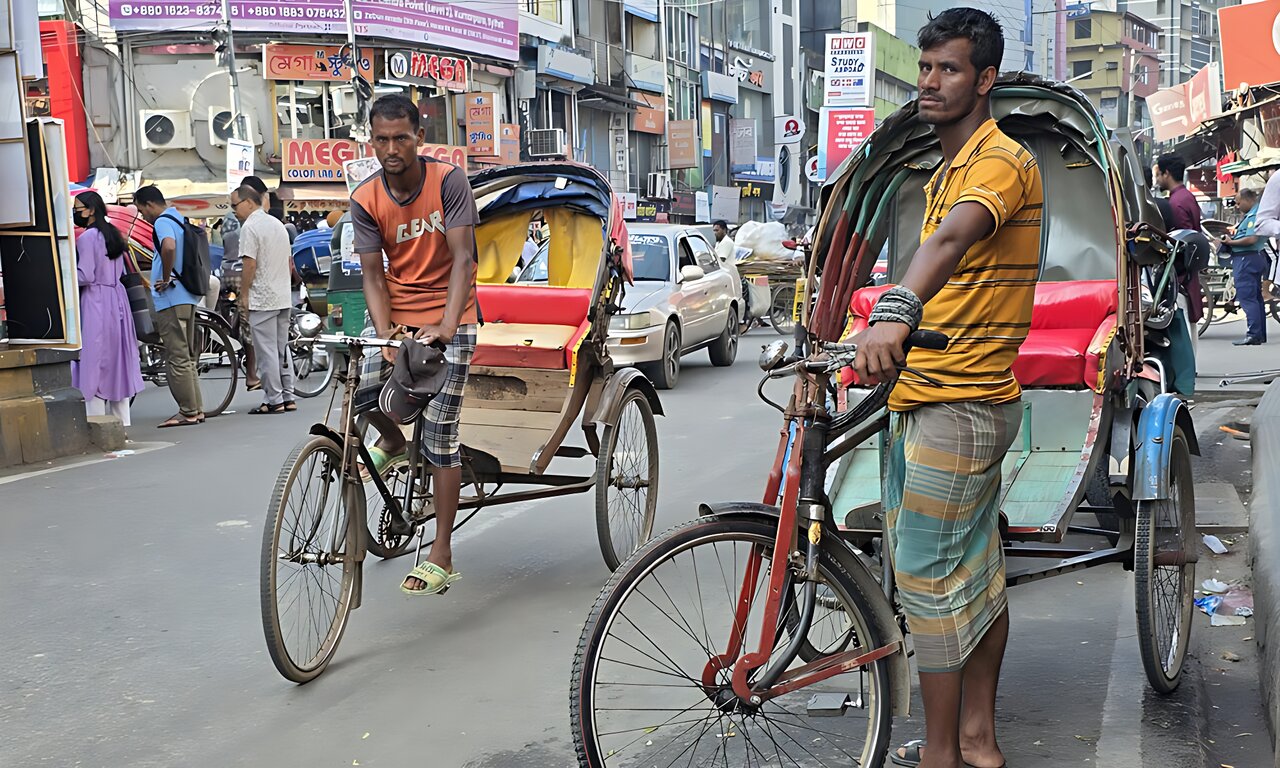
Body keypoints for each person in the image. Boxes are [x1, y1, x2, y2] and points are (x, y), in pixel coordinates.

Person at [847, 10, 1042, 768]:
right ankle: (977, 742)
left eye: (949, 69)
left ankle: (940, 756)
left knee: (925, 582)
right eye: (925, 68)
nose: (930, 81)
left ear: (984, 79)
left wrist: (894, 310)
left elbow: (951, 241)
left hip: (961, 404)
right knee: (977, 579)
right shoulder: (941, 171)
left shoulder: (999, 162)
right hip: (928, 396)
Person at [351, 94, 480, 597]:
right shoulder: (365, 199)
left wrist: (447, 328)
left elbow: (463, 260)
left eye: (400, 137)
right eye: (381, 139)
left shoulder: (448, 181)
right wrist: (385, 335)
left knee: (440, 435)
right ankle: (391, 441)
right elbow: (370, 273)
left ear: (418, 138)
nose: (391, 148)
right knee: (363, 396)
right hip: (398, 314)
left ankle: (442, 553)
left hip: (454, 313)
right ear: (371, 141)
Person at [71, 191, 145, 426]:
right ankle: (122, 423)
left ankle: (95, 423)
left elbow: (86, 275)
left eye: (78, 207)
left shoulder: (86, 238)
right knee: (117, 359)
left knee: (92, 360)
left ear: (91, 210)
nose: (76, 212)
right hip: (117, 299)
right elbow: (121, 271)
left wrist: (64, 276)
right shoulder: (113, 234)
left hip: (95, 300)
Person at [134, 185, 204, 428]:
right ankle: (196, 409)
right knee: (187, 356)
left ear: (150, 204)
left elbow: (169, 246)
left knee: (177, 357)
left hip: (172, 299)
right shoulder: (178, 217)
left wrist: (164, 276)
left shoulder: (163, 221)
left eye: (142, 210)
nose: (143, 215)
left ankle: (187, 411)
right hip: (187, 296)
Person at [232, 184, 296, 413]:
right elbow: (288, 262)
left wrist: (245, 294)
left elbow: (249, 263)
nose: (233, 210)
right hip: (281, 295)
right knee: (280, 349)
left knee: (266, 351)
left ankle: (274, 399)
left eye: (235, 205)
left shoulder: (250, 227)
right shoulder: (277, 224)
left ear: (248, 202)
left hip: (263, 296)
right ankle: (287, 396)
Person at [1154, 153, 1205, 349]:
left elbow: (1183, 243)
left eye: (1158, 175)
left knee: (1182, 326)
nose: (1157, 180)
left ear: (1167, 173)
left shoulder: (1175, 203)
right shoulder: (1186, 197)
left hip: (1180, 274)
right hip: (1188, 273)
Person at [1220, 187, 1268, 345]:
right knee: (1256, 297)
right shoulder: (1254, 214)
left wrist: (1230, 242)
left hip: (1247, 259)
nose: (1237, 206)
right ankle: (1260, 334)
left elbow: (1251, 239)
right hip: (1254, 258)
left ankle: (1253, 334)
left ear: (1248, 200)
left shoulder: (1254, 215)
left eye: (1239, 203)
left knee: (1248, 298)